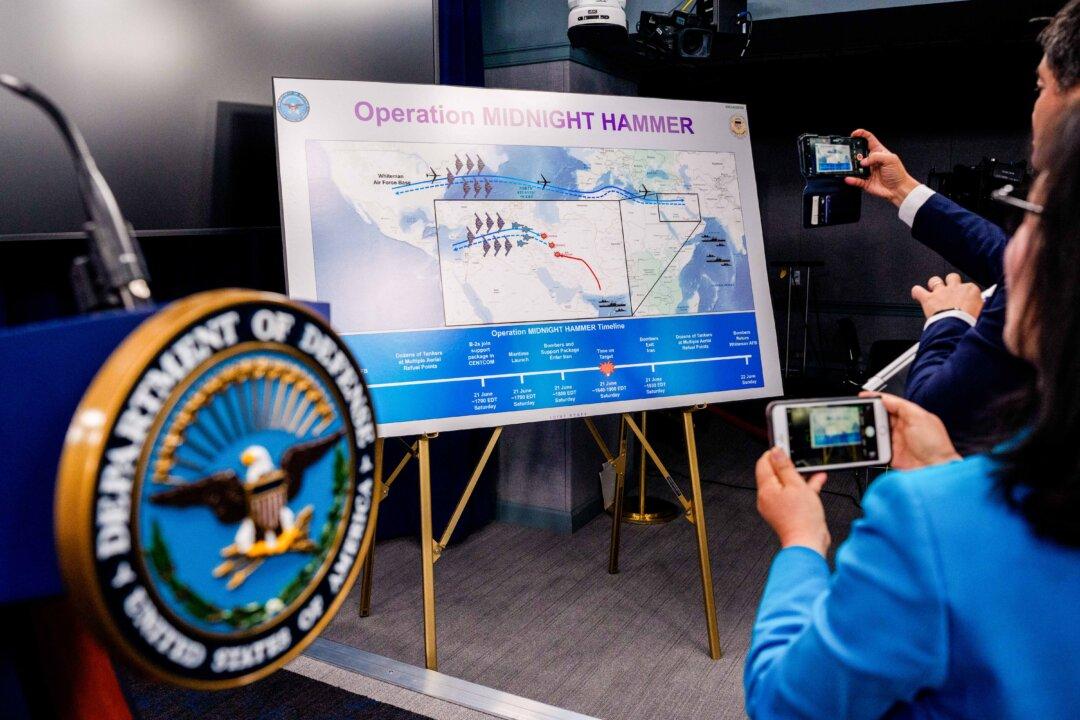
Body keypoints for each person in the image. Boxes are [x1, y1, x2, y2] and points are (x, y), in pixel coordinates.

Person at [742, 103, 1080, 719]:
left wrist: (801, 541)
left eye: (1031, 213)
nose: (1010, 252)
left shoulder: (928, 520)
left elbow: (783, 702)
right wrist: (904, 191)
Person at [846, 1, 1080, 450]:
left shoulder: (1052, 268)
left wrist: (948, 317)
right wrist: (904, 190)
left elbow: (936, 415)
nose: (1035, 106)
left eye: (1041, 87)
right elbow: (1004, 254)